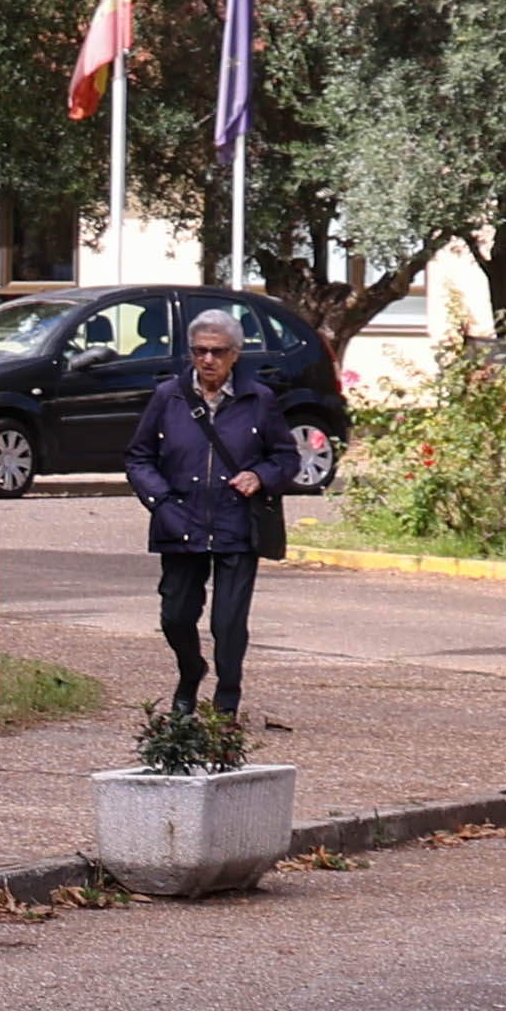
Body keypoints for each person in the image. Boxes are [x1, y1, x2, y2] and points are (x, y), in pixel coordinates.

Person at [124, 302, 326, 714]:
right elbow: (138, 458)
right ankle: (190, 673)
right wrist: (161, 501)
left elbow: (286, 457)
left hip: (237, 522)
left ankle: (226, 702)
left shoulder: (259, 399)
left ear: (235, 354)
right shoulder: (168, 396)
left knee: (228, 623)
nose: (208, 360)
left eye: (217, 351)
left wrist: (260, 476)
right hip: (180, 522)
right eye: (200, 351)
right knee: (176, 616)